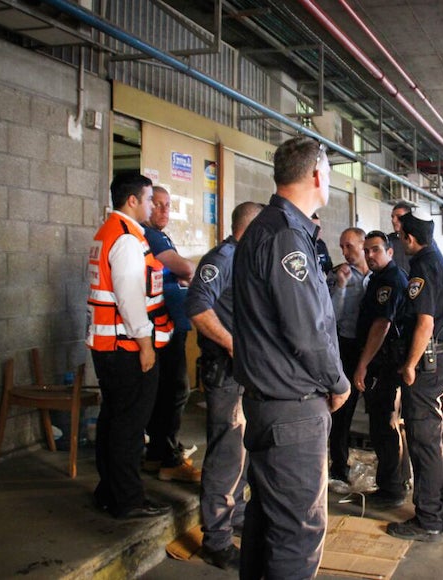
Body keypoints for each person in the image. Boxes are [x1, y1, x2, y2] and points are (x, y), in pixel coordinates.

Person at [232, 136, 350, 579]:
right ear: (317, 176)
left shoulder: (268, 228)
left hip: (270, 406)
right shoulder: (286, 237)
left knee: (266, 522)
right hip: (292, 411)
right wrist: (338, 382)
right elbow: (307, 332)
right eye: (330, 173)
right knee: (298, 534)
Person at [86, 172, 173, 519]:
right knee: (129, 426)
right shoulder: (124, 238)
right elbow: (129, 297)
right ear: (133, 200)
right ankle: (128, 500)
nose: (153, 205)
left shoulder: (109, 232)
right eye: (150, 199)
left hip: (108, 345)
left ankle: (108, 491)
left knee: (114, 419)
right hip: (125, 347)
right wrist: (145, 344)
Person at [185, 201, 263, 570]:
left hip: (243, 372)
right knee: (226, 453)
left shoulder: (244, 258)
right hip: (226, 371)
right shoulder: (223, 258)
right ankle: (215, 539)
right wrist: (235, 345)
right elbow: (198, 307)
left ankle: (235, 516)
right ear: (251, 226)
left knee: (241, 451)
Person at [386, 212, 443, 542]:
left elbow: (425, 323)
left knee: (425, 441)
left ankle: (427, 519)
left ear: (410, 240)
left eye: (401, 238)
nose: (401, 244)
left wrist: (410, 365)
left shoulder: (422, 267)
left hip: (428, 363)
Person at [141, 186, 200, 483]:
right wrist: (185, 272)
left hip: (169, 325)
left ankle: (157, 454)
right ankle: (168, 458)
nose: (163, 211)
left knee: (166, 391)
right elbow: (185, 267)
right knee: (174, 391)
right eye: (158, 205)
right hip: (161, 327)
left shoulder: (158, 236)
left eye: (168, 206)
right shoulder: (151, 235)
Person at [352, 230, 409, 509]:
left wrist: (362, 365)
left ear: (390, 251)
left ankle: (392, 490)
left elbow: (381, 326)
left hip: (383, 364)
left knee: (384, 426)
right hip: (380, 362)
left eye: (375, 250)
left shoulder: (391, 281)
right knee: (381, 424)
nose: (369, 255)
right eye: (366, 251)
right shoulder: (378, 279)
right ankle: (393, 483)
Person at [326, 227, 370, 492]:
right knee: (342, 409)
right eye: (342, 247)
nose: (345, 252)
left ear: (364, 246)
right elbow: (330, 315)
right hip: (348, 347)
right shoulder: (338, 274)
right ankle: (338, 466)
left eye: (350, 246)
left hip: (374, 350)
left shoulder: (377, 274)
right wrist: (341, 287)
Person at [387, 201, 413, 274]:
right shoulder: (387, 240)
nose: (393, 220)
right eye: (392, 217)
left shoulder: (420, 241)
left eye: (399, 217)